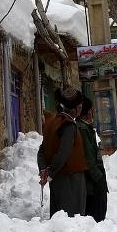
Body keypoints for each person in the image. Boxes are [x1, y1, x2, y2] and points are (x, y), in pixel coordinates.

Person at [37, 87, 87, 218]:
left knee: (59, 218)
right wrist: (50, 174)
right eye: (80, 107)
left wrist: (44, 170)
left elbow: (42, 150)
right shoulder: (68, 125)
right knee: (71, 219)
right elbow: (63, 154)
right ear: (75, 109)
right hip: (70, 181)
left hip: (57, 180)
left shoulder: (52, 122)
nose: (81, 109)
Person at [76, 97, 108, 222]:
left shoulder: (84, 128)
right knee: (96, 218)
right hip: (91, 185)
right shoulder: (83, 130)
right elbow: (89, 158)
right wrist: (98, 179)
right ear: (88, 112)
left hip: (90, 182)